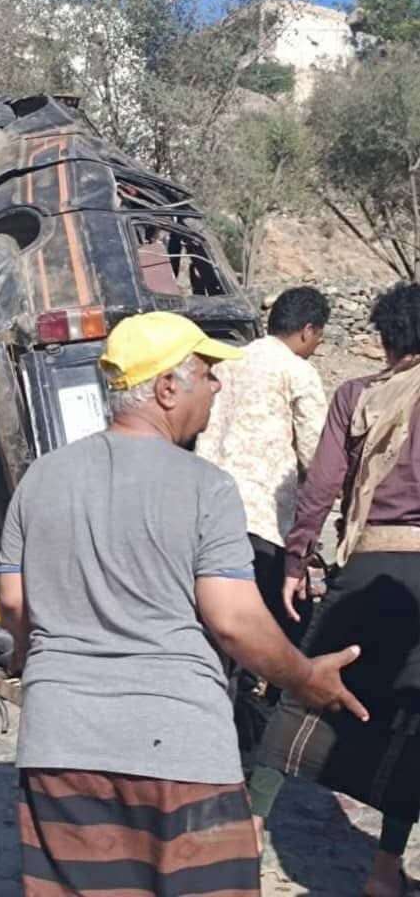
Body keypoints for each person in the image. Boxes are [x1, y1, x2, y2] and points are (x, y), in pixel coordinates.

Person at [0, 311, 368, 897]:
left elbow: (14, 605)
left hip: (59, 743)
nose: (217, 386)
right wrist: (304, 679)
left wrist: (37, 659)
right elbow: (235, 620)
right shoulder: (206, 488)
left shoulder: (40, 479)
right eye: (206, 373)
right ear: (167, 388)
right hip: (180, 753)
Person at [251, 283, 420, 897]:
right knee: (410, 721)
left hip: (368, 565)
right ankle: (383, 873)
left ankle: (247, 837)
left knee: (303, 693)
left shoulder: (358, 395)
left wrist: (297, 560)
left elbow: (321, 488)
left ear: (384, 338)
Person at [197, 286, 330, 765]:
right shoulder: (298, 371)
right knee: (262, 631)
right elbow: (319, 453)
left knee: (210, 629)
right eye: (318, 338)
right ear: (309, 330)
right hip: (262, 523)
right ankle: (243, 734)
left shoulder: (226, 361)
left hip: (207, 515)